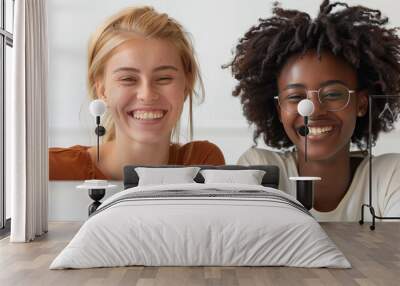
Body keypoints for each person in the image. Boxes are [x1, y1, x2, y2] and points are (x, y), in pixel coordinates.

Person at [229, 0, 400, 221]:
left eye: (332, 94)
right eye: (295, 97)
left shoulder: (390, 176)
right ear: (279, 109)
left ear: (361, 104)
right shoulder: (260, 169)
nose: (313, 110)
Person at [50, 6, 225, 180]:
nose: (147, 95)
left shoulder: (202, 163)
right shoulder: (53, 167)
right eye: (128, 79)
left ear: (186, 85)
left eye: (164, 78)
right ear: (101, 90)